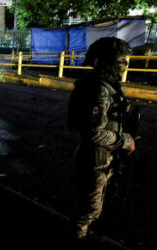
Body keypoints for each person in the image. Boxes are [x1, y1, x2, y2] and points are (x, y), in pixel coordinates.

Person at [67, 37, 135, 240]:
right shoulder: (100, 89)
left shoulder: (107, 85)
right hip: (94, 160)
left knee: (99, 209)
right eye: (121, 58)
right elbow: (94, 132)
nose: (125, 62)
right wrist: (126, 140)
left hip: (104, 159)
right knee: (89, 212)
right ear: (109, 60)